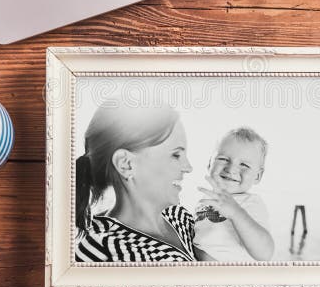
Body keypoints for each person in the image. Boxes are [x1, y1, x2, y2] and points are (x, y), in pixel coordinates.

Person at [75, 100, 195, 262]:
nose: (188, 167)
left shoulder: (180, 217)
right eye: (175, 155)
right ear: (126, 164)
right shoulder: (104, 250)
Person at [193, 127, 274, 261]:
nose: (231, 169)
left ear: (257, 176)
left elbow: (265, 253)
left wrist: (236, 212)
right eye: (223, 159)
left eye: (244, 165)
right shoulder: (206, 199)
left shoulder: (250, 203)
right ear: (209, 164)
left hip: (230, 276)